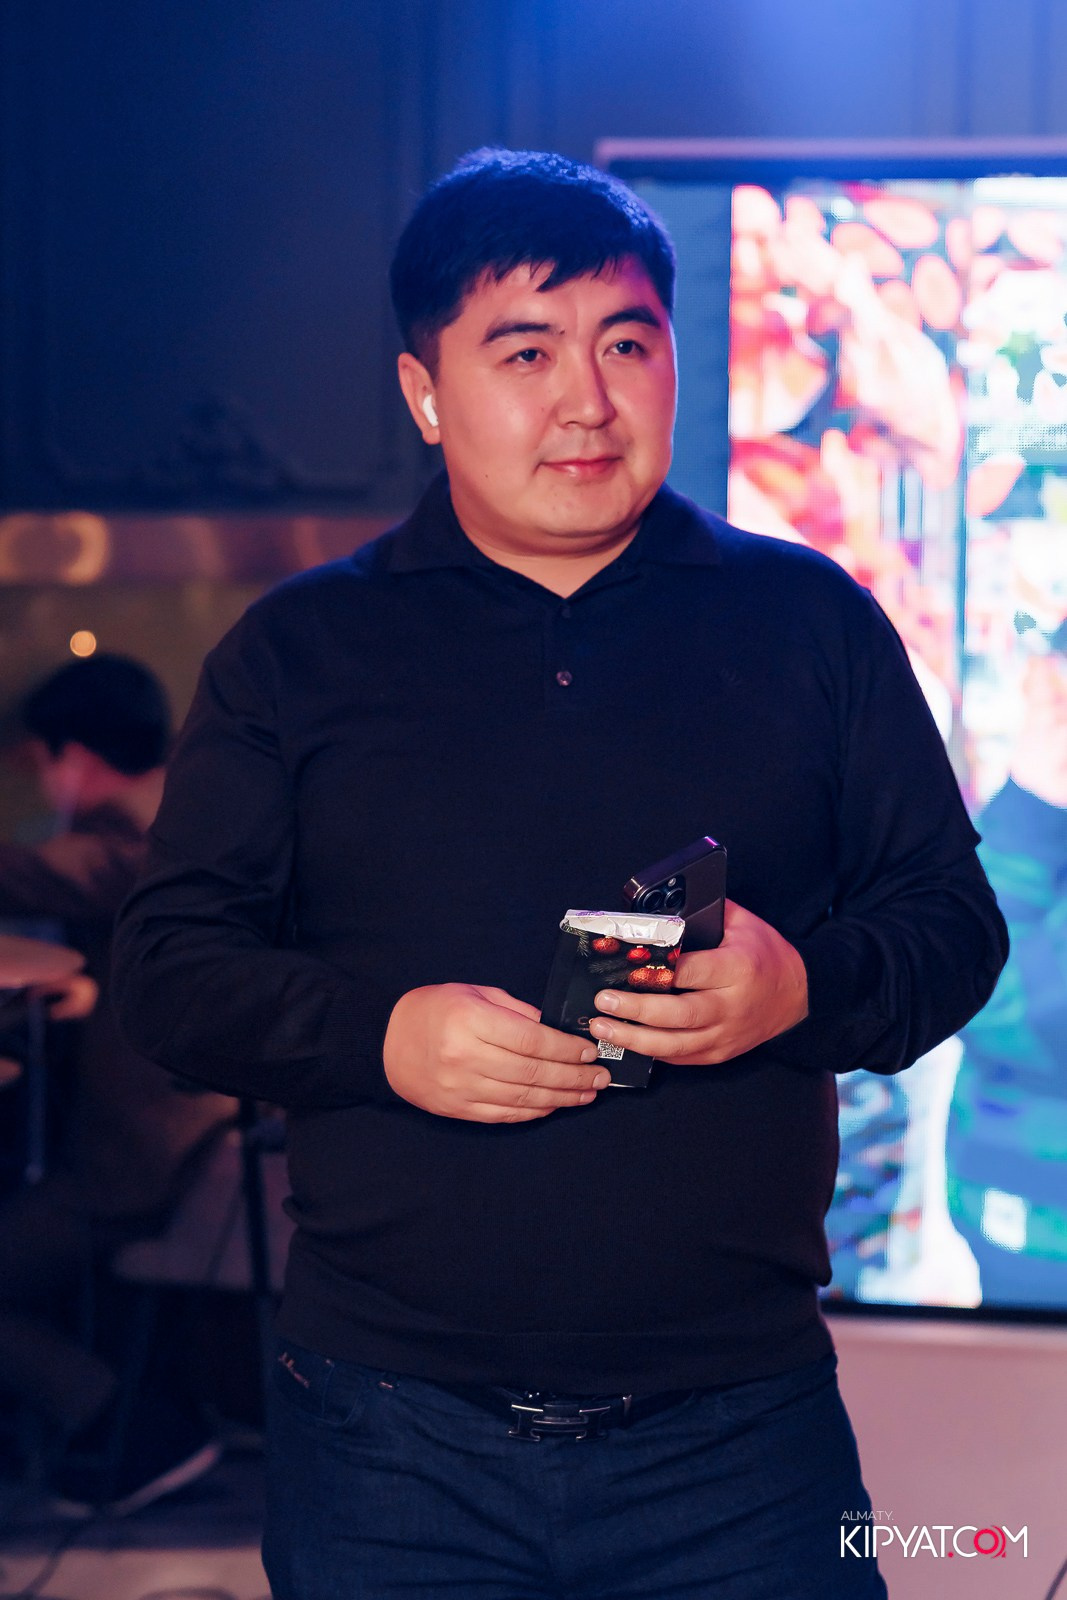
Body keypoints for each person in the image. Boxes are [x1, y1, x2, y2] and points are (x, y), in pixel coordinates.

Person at [113, 150, 1007, 1598]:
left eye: (625, 345)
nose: (585, 400)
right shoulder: (297, 654)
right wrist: (380, 1038)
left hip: (740, 1430)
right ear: (424, 393)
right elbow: (167, 973)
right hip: (388, 1440)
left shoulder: (806, 624)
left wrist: (798, 988)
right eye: (524, 352)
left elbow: (951, 927)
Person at [0, 654, 234, 1513]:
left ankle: (129, 1429)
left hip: (146, 1156)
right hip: (175, 1140)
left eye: (40, 763)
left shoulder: (138, 837)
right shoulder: (199, 806)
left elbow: (47, 873)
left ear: (74, 754)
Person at [946, 618, 1067, 1307]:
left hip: (1041, 1228)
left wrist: (1033, 804)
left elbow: (980, 988)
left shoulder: (1035, 813)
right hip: (1019, 1211)